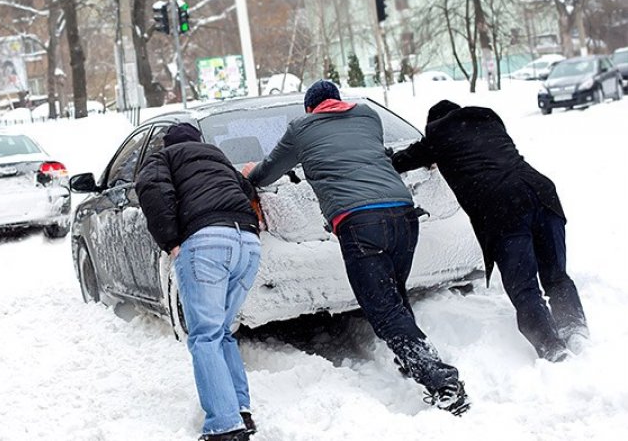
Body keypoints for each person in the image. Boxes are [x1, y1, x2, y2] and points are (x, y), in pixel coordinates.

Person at [242, 80, 469, 415]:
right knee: (394, 294)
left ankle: (440, 379)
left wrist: (250, 173)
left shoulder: (301, 128)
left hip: (360, 223)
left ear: (310, 108)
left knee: (383, 309)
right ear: (338, 101)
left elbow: (267, 172)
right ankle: (412, 358)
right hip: (404, 216)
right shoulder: (368, 115)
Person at [392, 100, 588, 361]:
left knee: (524, 285)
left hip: (504, 206)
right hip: (542, 192)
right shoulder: (488, 119)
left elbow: (401, 161)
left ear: (433, 123)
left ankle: (552, 348)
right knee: (555, 274)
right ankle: (574, 328)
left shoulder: (437, 135)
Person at [136, 123, 261, 441]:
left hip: (206, 243)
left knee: (205, 336)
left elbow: (152, 189)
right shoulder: (218, 157)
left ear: (168, 143)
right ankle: (240, 412)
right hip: (247, 242)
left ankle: (224, 425)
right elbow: (247, 191)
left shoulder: (163, 158)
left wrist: (170, 239)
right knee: (222, 332)